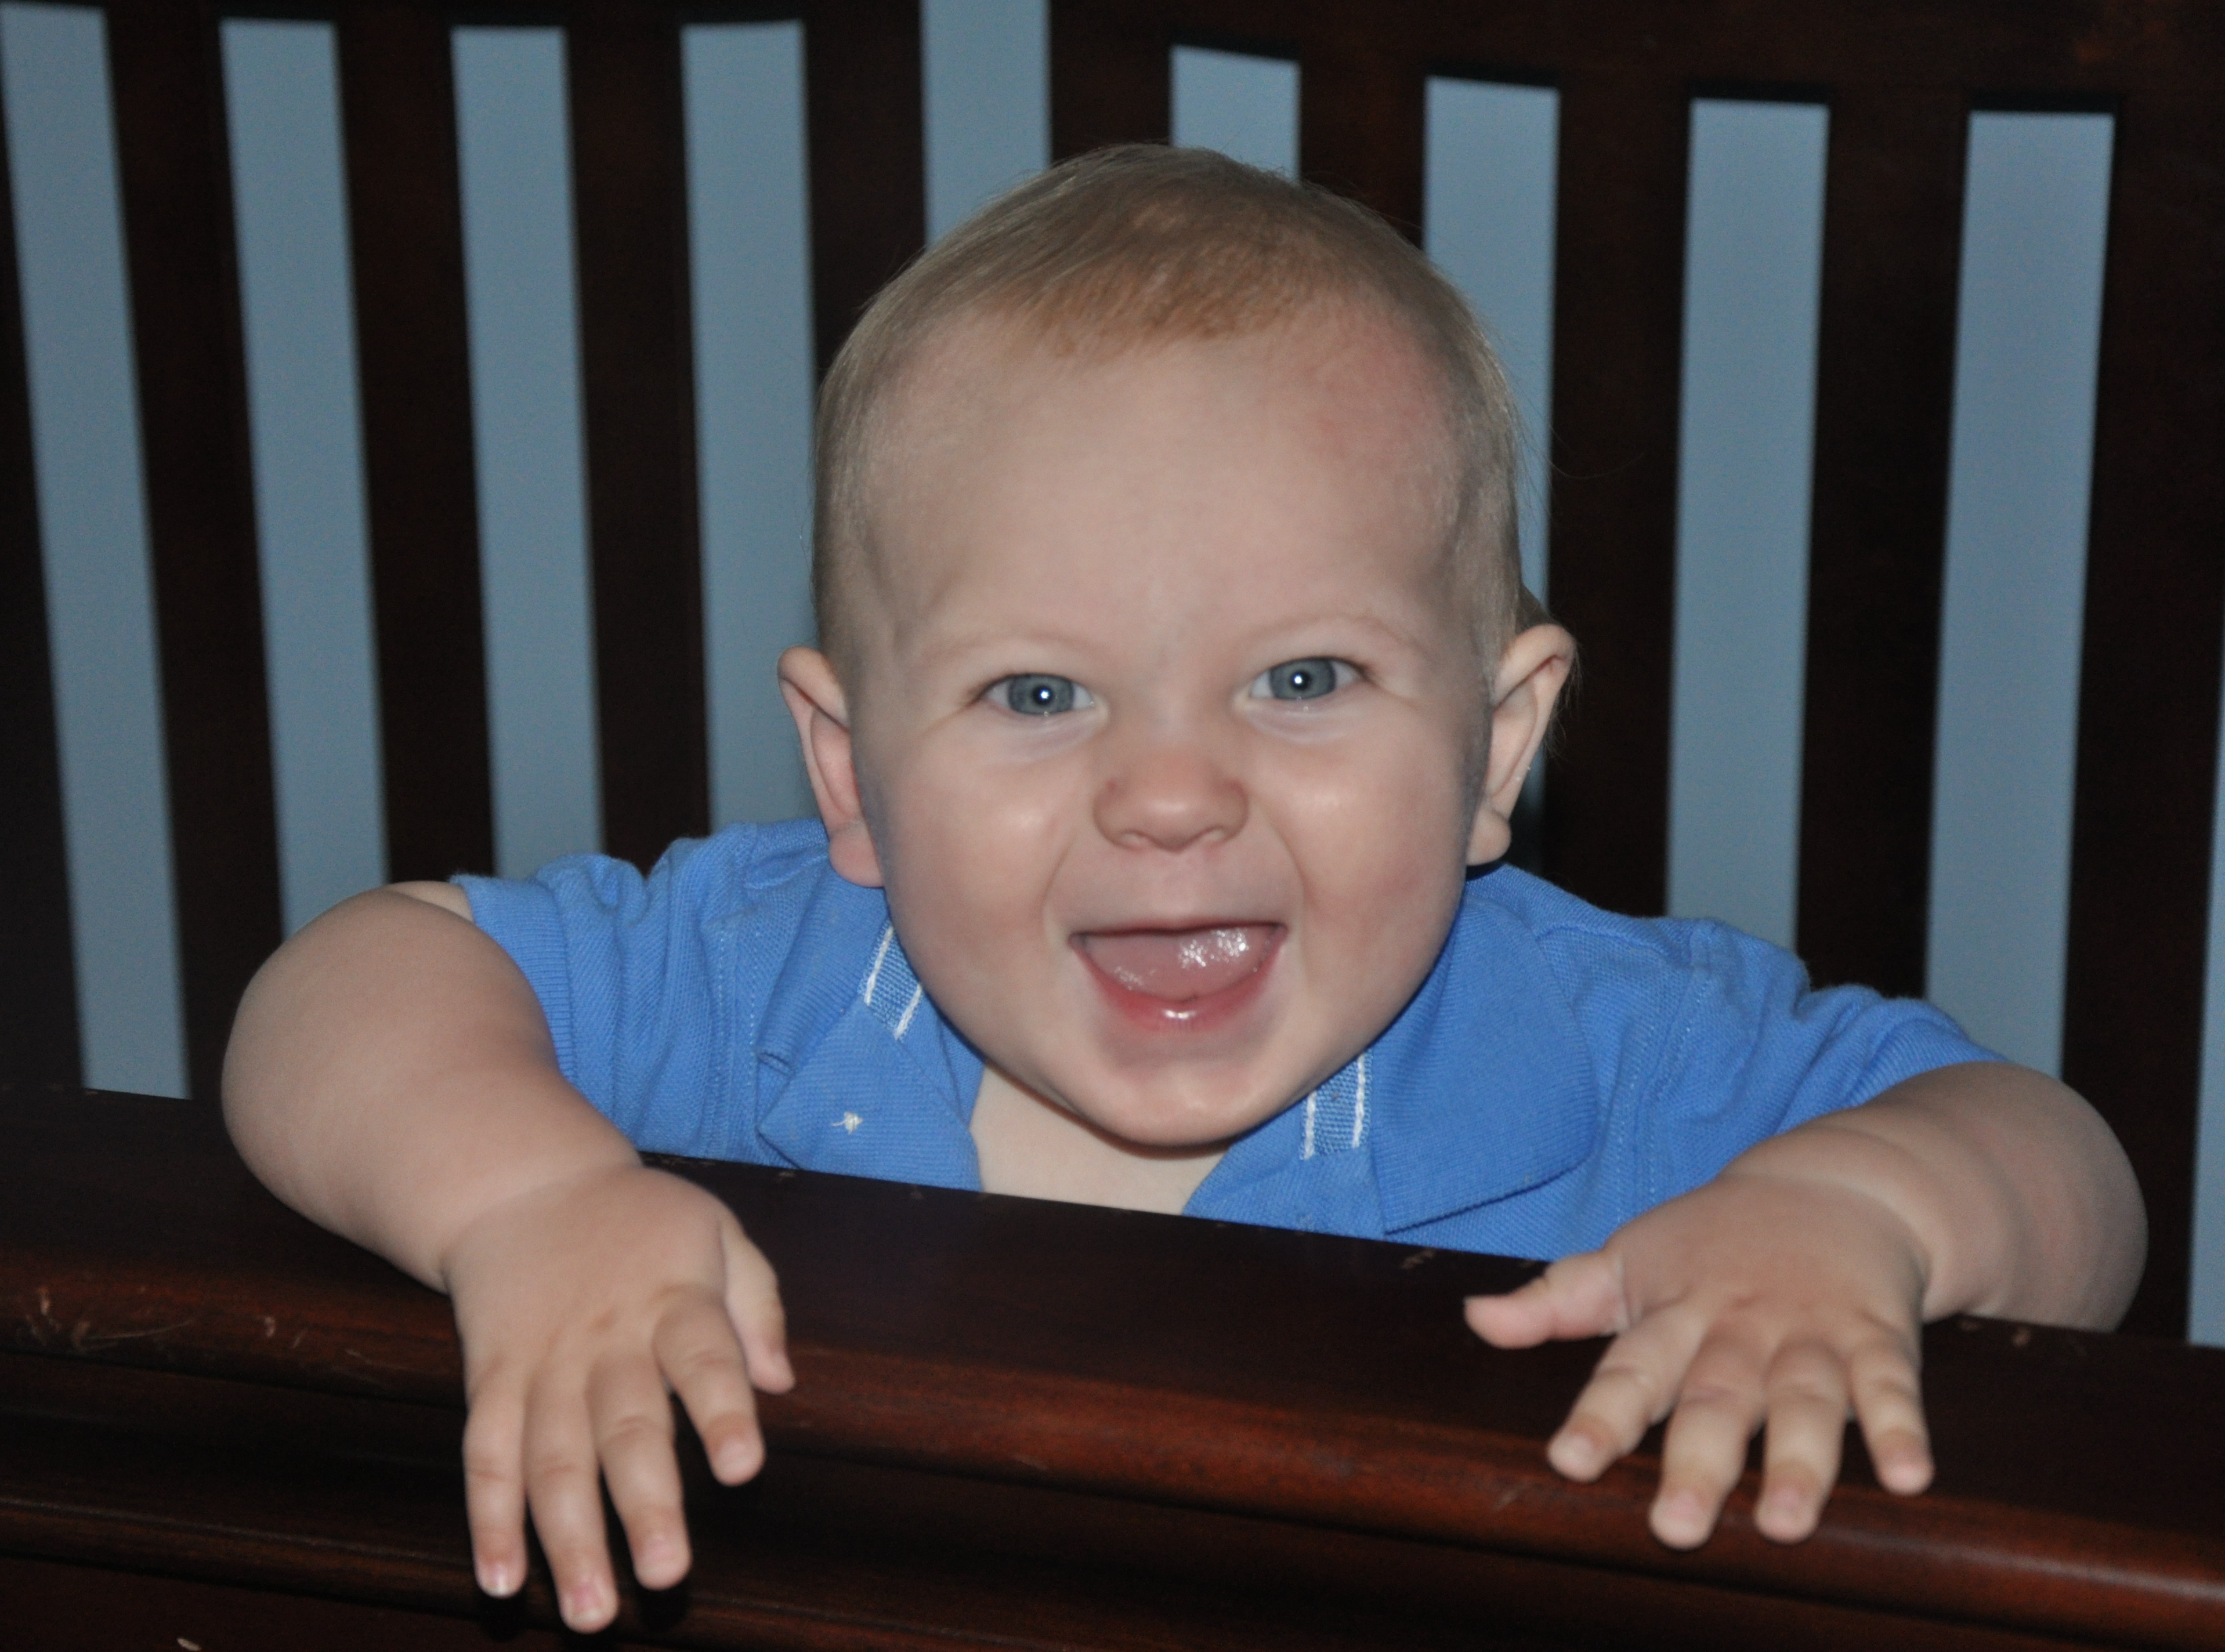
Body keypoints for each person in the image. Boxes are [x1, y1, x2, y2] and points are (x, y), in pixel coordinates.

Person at [222, 145, 2145, 1635]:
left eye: (1302, 679)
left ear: (1495, 746)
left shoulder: (1610, 1048)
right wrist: (532, 1202)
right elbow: (355, 979)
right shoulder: (766, 979)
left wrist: (1847, 1214)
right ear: (852, 772)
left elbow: (2065, 1167)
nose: (1166, 795)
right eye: (1036, 694)